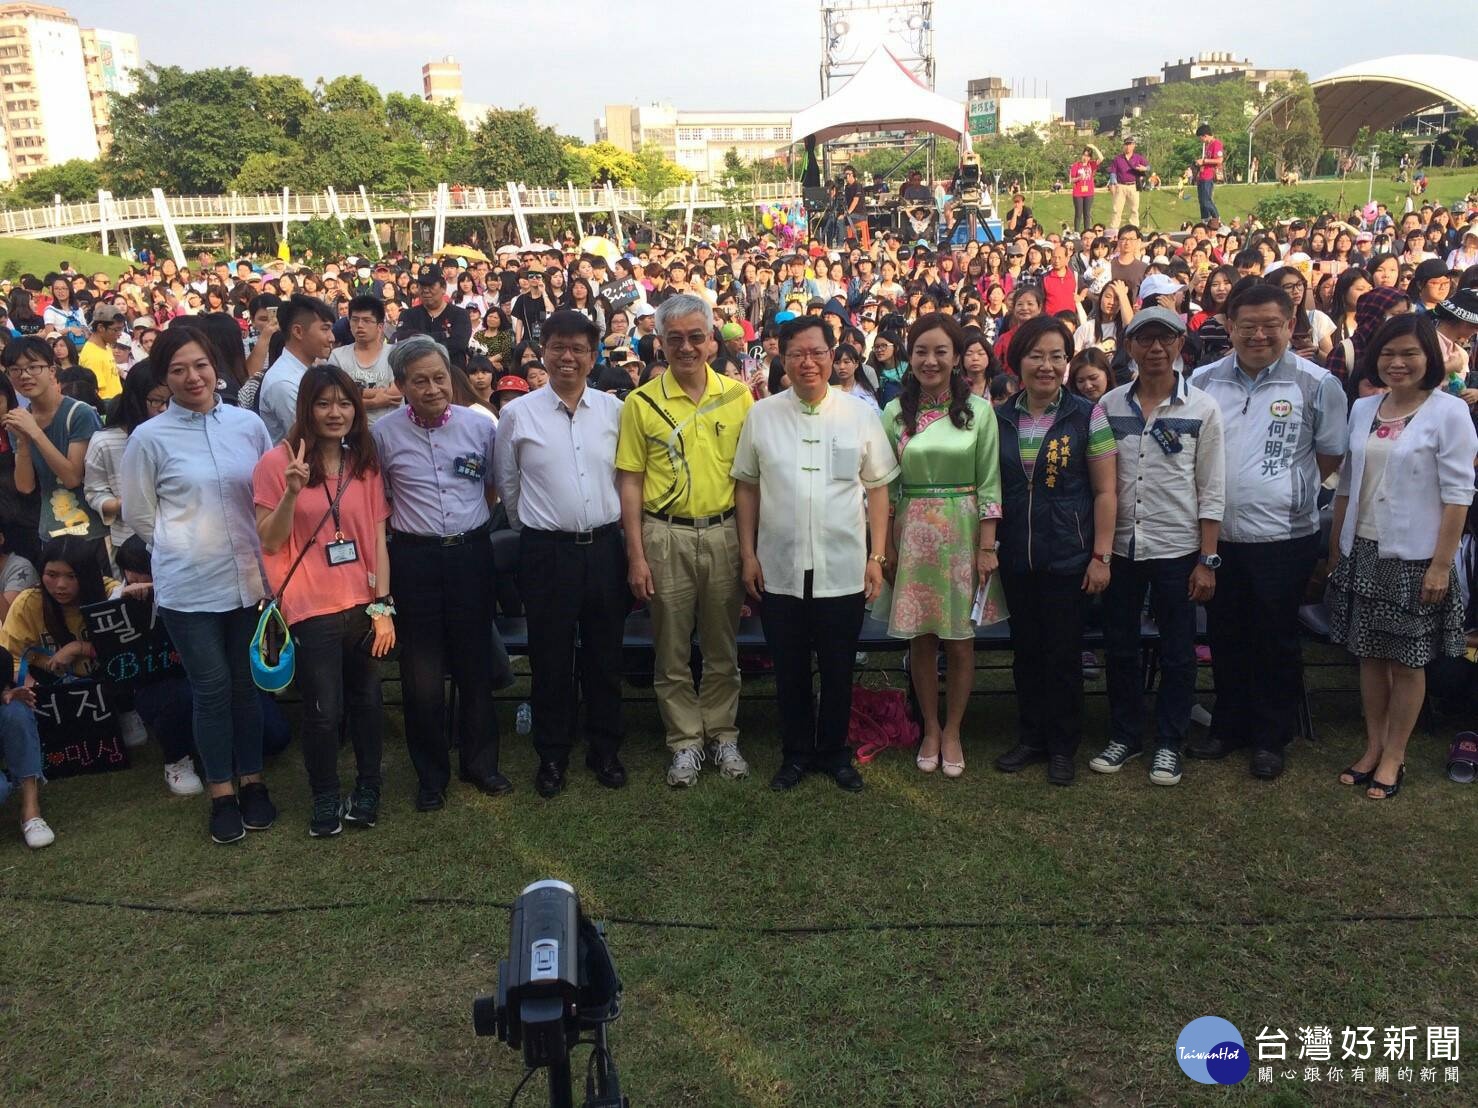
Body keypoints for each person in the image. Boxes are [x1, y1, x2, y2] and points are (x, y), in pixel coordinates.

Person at [120, 326, 276, 845]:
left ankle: (253, 781)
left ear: (216, 367)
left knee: (244, 687)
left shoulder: (247, 425)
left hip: (249, 580)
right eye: (178, 369)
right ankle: (222, 793)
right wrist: (185, 545)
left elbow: (267, 492)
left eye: (200, 365)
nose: (193, 377)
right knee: (210, 691)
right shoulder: (149, 438)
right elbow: (142, 516)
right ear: (164, 376)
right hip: (189, 587)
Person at [1187, 284, 1347, 779]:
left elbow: (1329, 457)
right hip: (1217, 536)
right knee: (1225, 634)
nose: (1259, 334)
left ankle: (1271, 736)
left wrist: (1280, 490)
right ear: (1229, 325)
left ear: (1290, 322)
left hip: (1284, 537)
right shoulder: (1202, 380)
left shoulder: (1317, 384)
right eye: (1247, 324)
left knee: (1275, 637)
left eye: (1270, 324)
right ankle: (1228, 725)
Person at [733, 316, 897, 792]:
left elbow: (880, 488)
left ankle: (834, 753)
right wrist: (748, 553)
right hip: (779, 566)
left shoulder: (859, 413)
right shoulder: (762, 415)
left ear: (833, 356)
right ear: (781, 358)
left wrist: (877, 556)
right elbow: (746, 487)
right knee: (789, 670)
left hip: (842, 565)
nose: (809, 362)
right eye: (797, 353)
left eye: (818, 352)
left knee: (839, 665)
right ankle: (796, 753)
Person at [1328, 314, 1477, 800]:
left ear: (1429, 359)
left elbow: (1459, 495)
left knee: (1408, 662)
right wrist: (1337, 546)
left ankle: (1395, 754)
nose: (1397, 363)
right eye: (1388, 354)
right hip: (1363, 548)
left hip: (1414, 556)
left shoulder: (1449, 412)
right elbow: (1348, 484)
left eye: (1409, 353)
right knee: (1370, 655)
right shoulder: (1364, 407)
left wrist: (1440, 564)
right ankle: (1373, 745)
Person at [615, 293, 754, 788]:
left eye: (697, 337)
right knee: (671, 651)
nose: (687, 347)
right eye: (675, 339)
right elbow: (629, 481)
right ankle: (684, 743)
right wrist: (636, 553)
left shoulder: (739, 398)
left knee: (722, 647)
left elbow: (746, 481)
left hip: (723, 534)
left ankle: (723, 733)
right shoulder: (641, 402)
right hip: (664, 535)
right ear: (660, 343)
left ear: (713, 341)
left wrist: (748, 548)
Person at [493, 311, 629, 799]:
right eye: (558, 347)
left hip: (605, 548)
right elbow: (508, 486)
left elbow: (623, 480)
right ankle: (551, 755)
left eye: (578, 349)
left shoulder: (614, 411)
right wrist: (535, 528)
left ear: (593, 356)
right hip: (546, 552)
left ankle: (605, 749)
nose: (568, 357)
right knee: (550, 657)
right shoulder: (517, 415)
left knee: (604, 655)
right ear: (542, 351)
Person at [253, 365, 393, 837]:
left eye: (345, 403)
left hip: (362, 605)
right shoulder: (277, 464)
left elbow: (376, 539)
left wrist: (383, 606)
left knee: (368, 700)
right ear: (306, 408)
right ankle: (326, 794)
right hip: (309, 607)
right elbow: (270, 542)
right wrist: (292, 492)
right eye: (324, 403)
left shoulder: (364, 464)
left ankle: (369, 787)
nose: (336, 413)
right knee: (323, 709)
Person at [372, 335, 509, 810]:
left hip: (471, 554)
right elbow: (380, 506)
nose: (433, 389)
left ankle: (481, 764)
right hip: (415, 560)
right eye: (419, 381)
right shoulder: (383, 434)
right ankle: (431, 776)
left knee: (475, 666)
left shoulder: (479, 426)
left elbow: (491, 489)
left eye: (439, 377)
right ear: (401, 386)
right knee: (422, 675)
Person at [1089, 307, 1225, 787]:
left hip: (1177, 548)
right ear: (1129, 348)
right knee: (1120, 647)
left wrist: (1207, 560)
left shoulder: (1202, 409)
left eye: (1164, 340)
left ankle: (1169, 741)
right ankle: (1126, 735)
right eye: (1144, 340)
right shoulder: (1108, 406)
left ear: (1179, 345)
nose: (1154, 349)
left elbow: (1211, 488)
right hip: (1122, 549)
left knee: (1178, 652)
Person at [992, 317, 1117, 785]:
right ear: (1018, 361)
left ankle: (1063, 745)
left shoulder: (1087, 415)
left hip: (1069, 554)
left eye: (1057, 356)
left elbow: (1106, 492)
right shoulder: (999, 416)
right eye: (1036, 356)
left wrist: (1100, 555)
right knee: (1026, 652)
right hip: (1017, 556)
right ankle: (1031, 737)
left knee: (1064, 654)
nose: (1046, 366)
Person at [878, 313, 1001, 778]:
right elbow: (886, 487)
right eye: (922, 351)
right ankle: (929, 725)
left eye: (941, 351)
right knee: (922, 637)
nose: (930, 361)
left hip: (963, 528)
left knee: (960, 639)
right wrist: (885, 546)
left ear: (956, 357)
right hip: (910, 532)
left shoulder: (979, 411)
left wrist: (987, 546)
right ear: (911, 356)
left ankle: (954, 729)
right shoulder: (893, 413)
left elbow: (990, 483)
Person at [1, 336, 107, 550]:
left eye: (33, 367)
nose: (25, 375)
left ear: (51, 370)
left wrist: (35, 433)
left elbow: (72, 477)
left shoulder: (80, 414)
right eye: (15, 369)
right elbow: (25, 486)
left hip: (91, 531)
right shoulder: (20, 420)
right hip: (50, 532)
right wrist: (23, 441)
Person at [84, 359, 169, 562]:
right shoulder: (106, 442)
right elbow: (94, 490)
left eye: (171, 401)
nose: (164, 409)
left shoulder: (179, 435)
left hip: (178, 538)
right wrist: (120, 504)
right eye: (156, 401)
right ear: (135, 400)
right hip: (129, 543)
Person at [258, 294, 336, 444]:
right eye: (325, 329)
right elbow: (310, 438)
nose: (331, 337)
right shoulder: (283, 383)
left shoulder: (313, 368)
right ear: (298, 332)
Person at [327, 295, 401, 425]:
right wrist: (374, 402)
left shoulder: (395, 354)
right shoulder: (337, 356)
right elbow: (335, 397)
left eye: (367, 320)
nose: (359, 325)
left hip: (391, 432)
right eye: (354, 320)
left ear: (380, 326)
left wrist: (351, 394)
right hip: (351, 434)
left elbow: (396, 393)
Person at [400, 270, 473, 364]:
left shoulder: (460, 315)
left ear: (443, 288)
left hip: (452, 372)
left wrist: (419, 338)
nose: (426, 290)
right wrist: (442, 335)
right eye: (422, 286)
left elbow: (458, 344)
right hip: (417, 372)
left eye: (431, 286)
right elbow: (404, 342)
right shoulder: (408, 315)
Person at [78, 304, 125, 400]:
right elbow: (98, 394)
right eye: (116, 330)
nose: (120, 334)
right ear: (101, 328)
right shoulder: (92, 356)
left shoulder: (105, 346)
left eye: (121, 329)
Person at [1107, 137, 1148, 231]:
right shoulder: (1118, 159)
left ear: (1133, 146)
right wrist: (1113, 183)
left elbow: (1148, 166)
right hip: (1120, 186)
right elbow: (1113, 171)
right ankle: (1114, 229)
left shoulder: (1138, 157)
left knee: (1134, 209)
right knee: (1116, 209)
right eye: (1126, 144)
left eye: (1130, 144)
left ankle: (1134, 228)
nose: (1128, 147)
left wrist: (1144, 169)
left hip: (1133, 185)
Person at [1193, 124, 1222, 222]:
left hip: (1208, 176)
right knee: (1202, 202)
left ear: (1205, 135)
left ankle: (1216, 219)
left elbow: (1219, 160)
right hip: (1202, 176)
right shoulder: (1207, 146)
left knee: (1206, 201)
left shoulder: (1216, 144)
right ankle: (1205, 221)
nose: (1201, 140)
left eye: (1201, 138)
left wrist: (1204, 161)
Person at [1070, 147, 1100, 232]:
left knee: (1087, 213)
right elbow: (1071, 179)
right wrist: (1079, 178)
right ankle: (1076, 232)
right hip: (1078, 193)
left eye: (1087, 156)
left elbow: (1101, 158)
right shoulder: (1076, 165)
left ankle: (1087, 232)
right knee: (1078, 214)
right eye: (1084, 155)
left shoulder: (1091, 164)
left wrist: (1094, 147)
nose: (1085, 157)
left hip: (1089, 193)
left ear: (1090, 157)